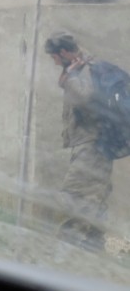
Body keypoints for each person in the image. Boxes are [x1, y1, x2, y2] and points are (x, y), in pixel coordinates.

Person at [44, 31, 111, 253]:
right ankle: (93, 245)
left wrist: (70, 78)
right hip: (89, 143)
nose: (54, 62)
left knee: (72, 194)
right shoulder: (80, 68)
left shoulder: (87, 69)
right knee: (94, 195)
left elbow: (85, 99)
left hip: (92, 144)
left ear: (64, 52)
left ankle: (65, 247)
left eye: (54, 57)